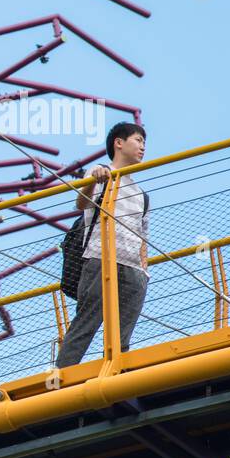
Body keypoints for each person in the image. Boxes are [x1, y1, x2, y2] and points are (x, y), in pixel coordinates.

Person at [56, 122, 150, 368]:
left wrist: (144, 270)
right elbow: (80, 204)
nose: (142, 147)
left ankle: (117, 373)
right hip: (99, 259)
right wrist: (93, 179)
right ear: (119, 143)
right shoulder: (99, 172)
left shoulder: (141, 194)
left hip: (132, 268)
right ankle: (63, 374)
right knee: (87, 321)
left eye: (143, 143)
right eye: (138, 140)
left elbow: (143, 236)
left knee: (124, 333)